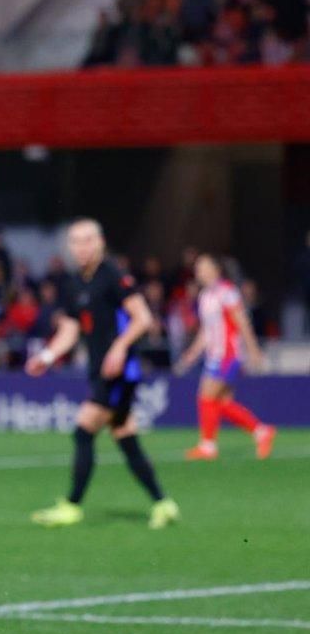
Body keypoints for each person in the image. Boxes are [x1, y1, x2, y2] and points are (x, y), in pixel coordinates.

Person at [26, 219, 178, 530]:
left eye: (87, 240)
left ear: (100, 243)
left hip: (121, 372)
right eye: (75, 241)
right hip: (100, 371)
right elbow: (71, 329)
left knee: (84, 431)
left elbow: (143, 318)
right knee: (125, 438)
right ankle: (163, 503)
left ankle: (72, 506)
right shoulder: (73, 283)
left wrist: (119, 348)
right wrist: (47, 356)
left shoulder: (113, 276)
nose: (81, 247)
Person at [174, 254, 275, 460]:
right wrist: (193, 352)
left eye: (204, 267)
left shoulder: (227, 292)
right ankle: (261, 431)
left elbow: (242, 322)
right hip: (213, 355)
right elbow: (206, 331)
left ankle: (208, 446)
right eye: (198, 268)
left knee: (206, 396)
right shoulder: (204, 296)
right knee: (220, 403)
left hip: (228, 354)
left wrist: (253, 350)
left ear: (216, 269)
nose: (200, 272)